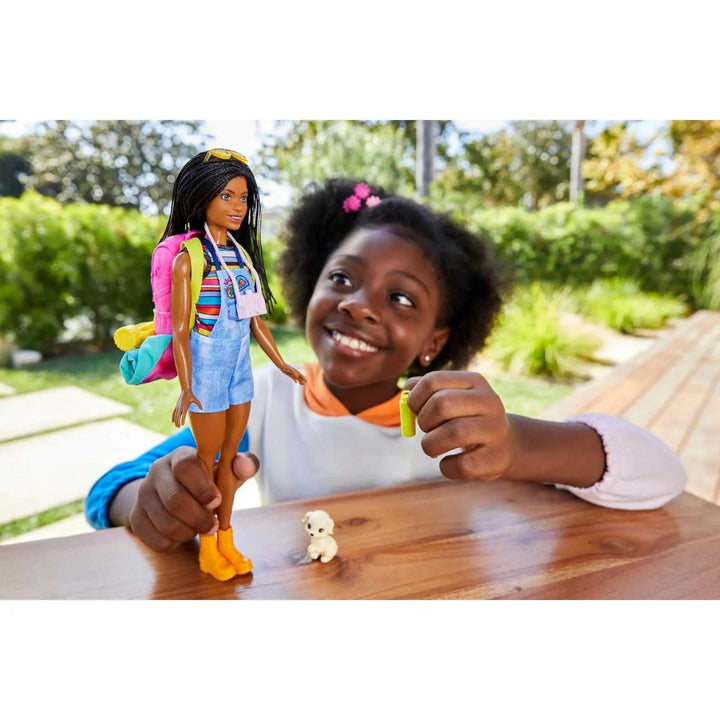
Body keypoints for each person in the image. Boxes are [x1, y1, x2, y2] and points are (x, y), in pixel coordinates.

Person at [85, 177, 686, 560]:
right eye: (341, 279)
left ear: (436, 342)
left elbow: (661, 476)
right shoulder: (261, 398)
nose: (358, 305)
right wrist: (152, 499)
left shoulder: (461, 424)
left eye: (401, 299)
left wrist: (520, 444)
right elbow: (106, 489)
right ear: (306, 288)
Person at [136, 149, 305, 580]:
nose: (237, 207)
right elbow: (179, 330)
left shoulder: (242, 256)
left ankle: (226, 536)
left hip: (239, 367)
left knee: (231, 457)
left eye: (244, 198)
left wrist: (282, 364)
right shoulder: (187, 259)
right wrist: (187, 388)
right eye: (227, 196)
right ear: (203, 198)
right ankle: (208, 544)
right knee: (208, 461)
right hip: (207, 366)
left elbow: (255, 319)